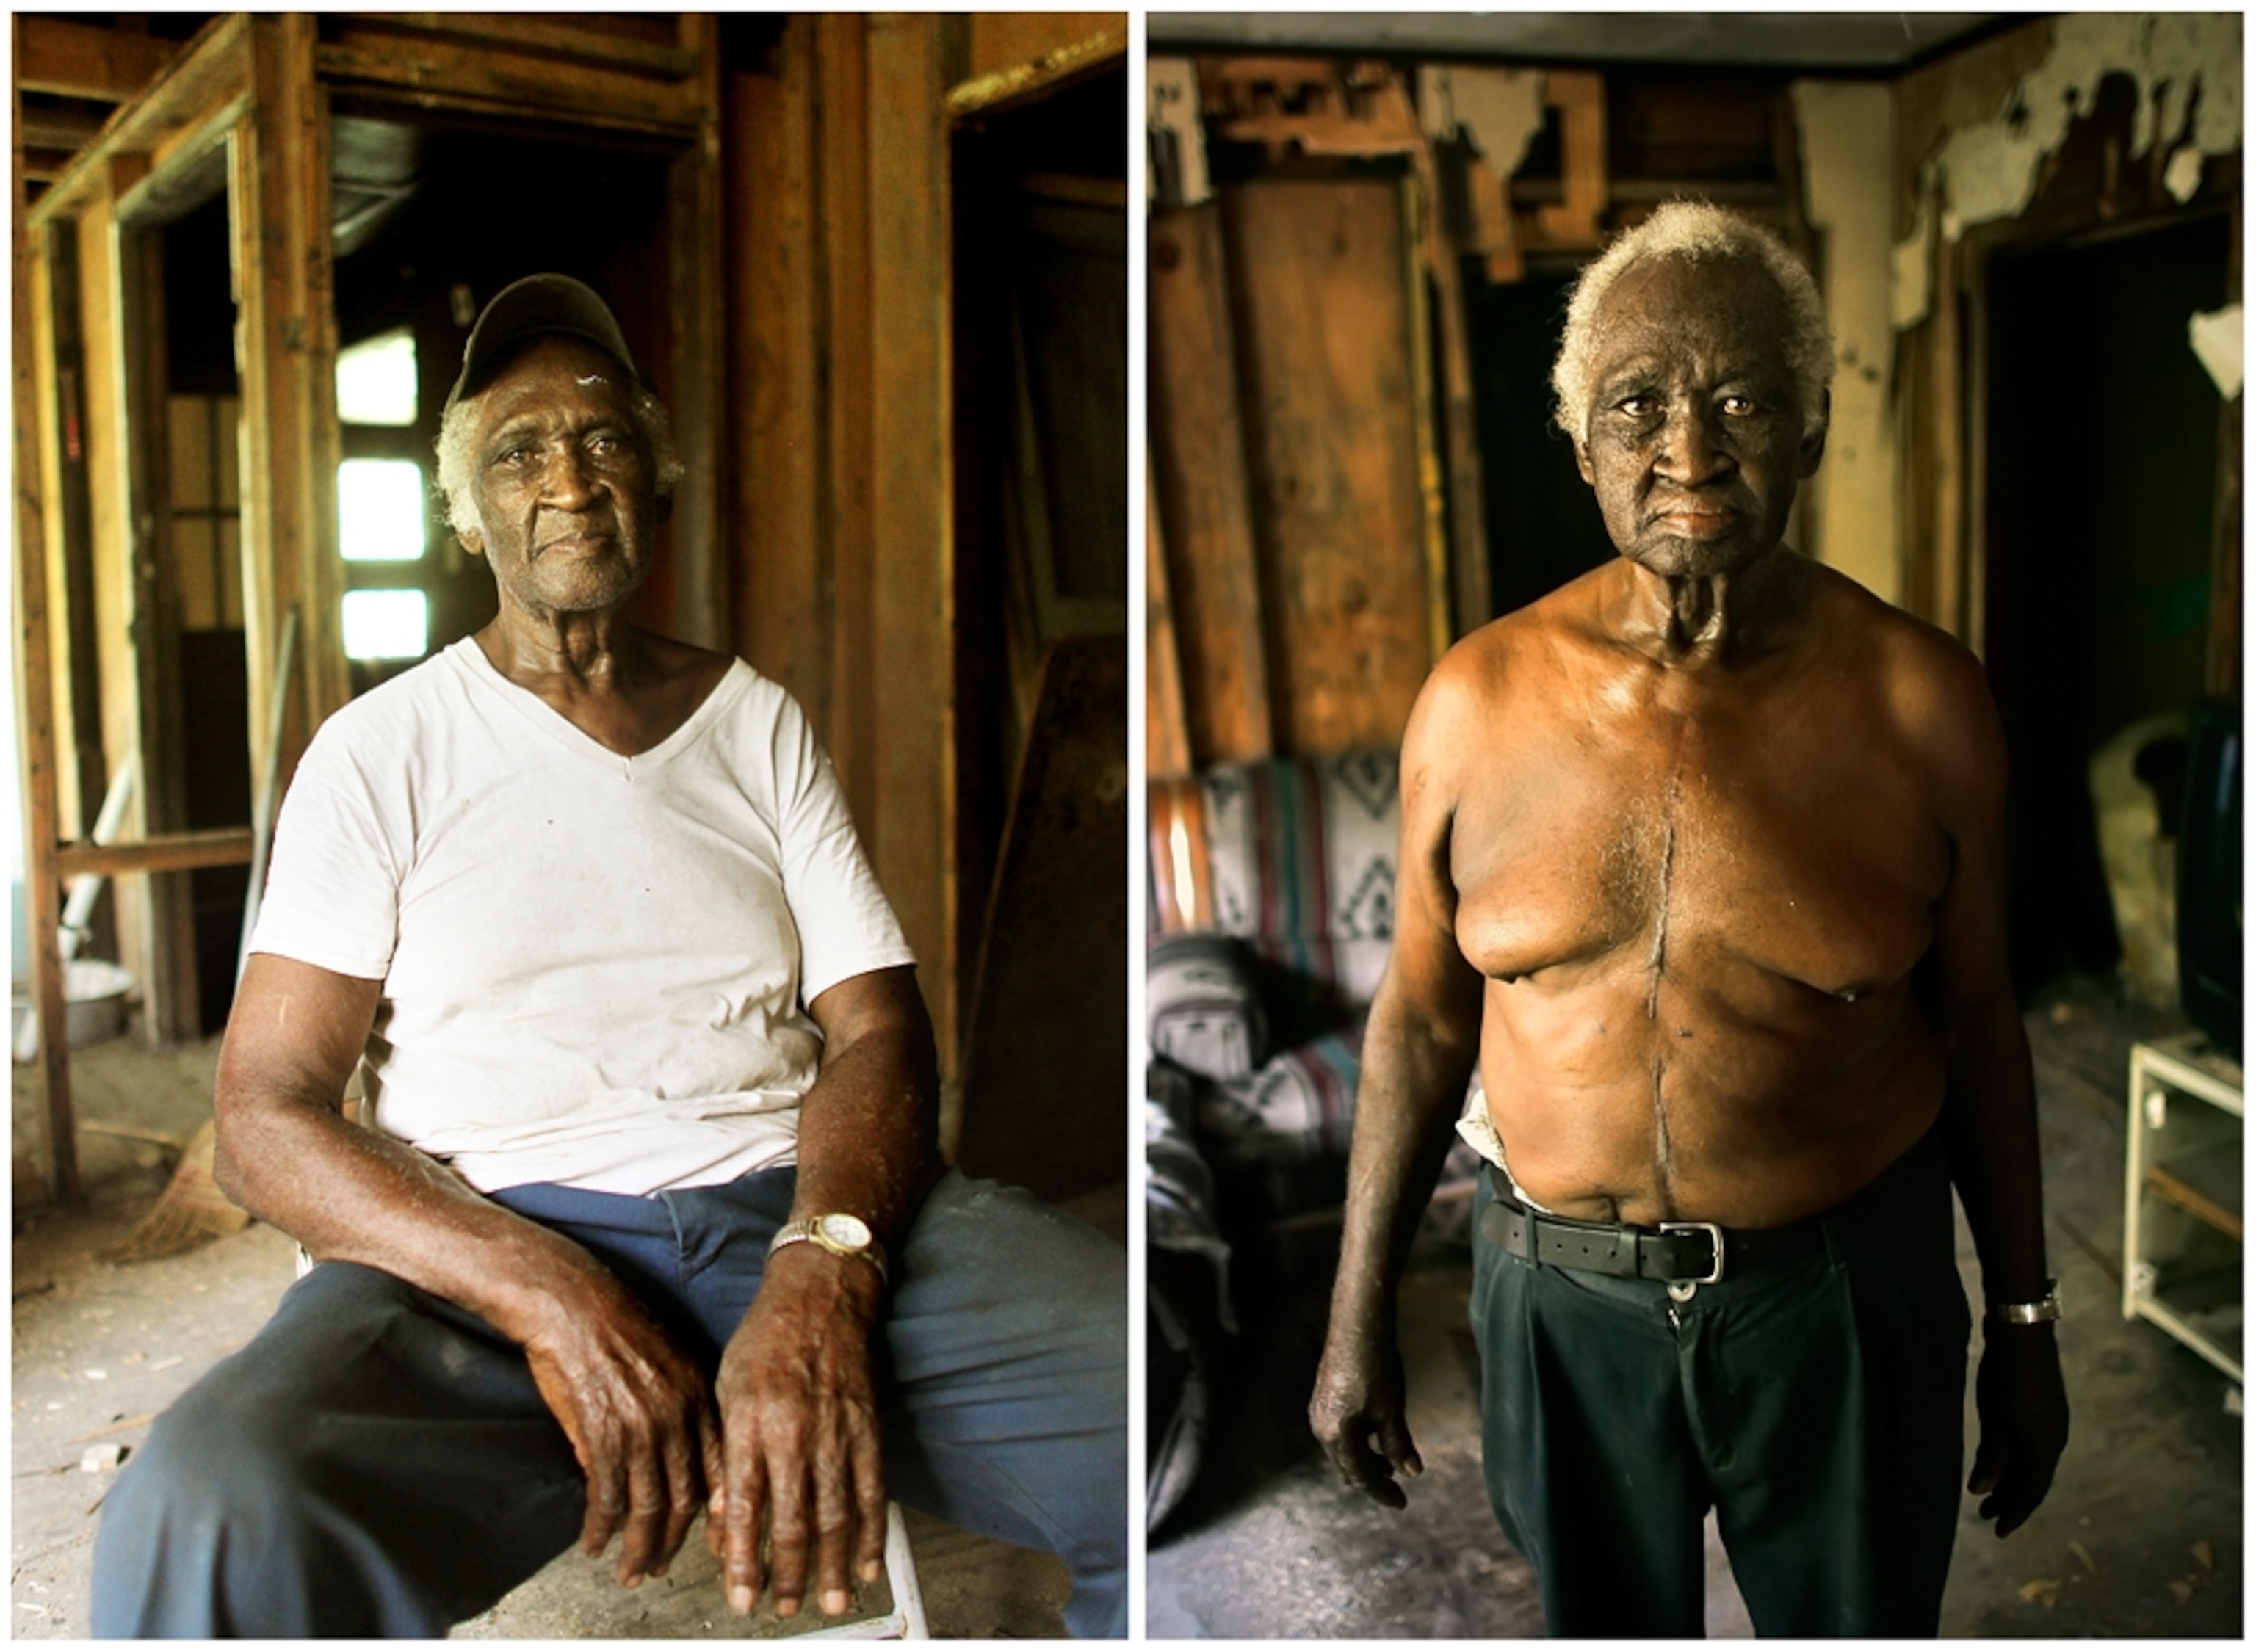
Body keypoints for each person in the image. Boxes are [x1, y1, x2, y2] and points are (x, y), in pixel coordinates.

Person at [90, 275, 1127, 1638]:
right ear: (467, 512)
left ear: (658, 482)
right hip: (483, 1259)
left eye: (606, 439)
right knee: (210, 1505)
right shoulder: (379, 750)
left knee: (1143, 1367)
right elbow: (261, 1119)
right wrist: (548, 1290)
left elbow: (878, 1032)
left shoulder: (756, 723)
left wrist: (823, 1265)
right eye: (519, 450)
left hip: (791, 1213)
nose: (569, 476)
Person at [1307, 203, 2068, 1637]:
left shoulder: (1926, 705)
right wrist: (1353, 1320)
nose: (1692, 452)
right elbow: (1417, 1017)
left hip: (1840, 1301)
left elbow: (1978, 1022)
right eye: (1639, 405)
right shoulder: (1472, 704)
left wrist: (2025, 1319)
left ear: (1815, 430)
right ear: (1581, 441)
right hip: (1556, 1306)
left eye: (1745, 402)